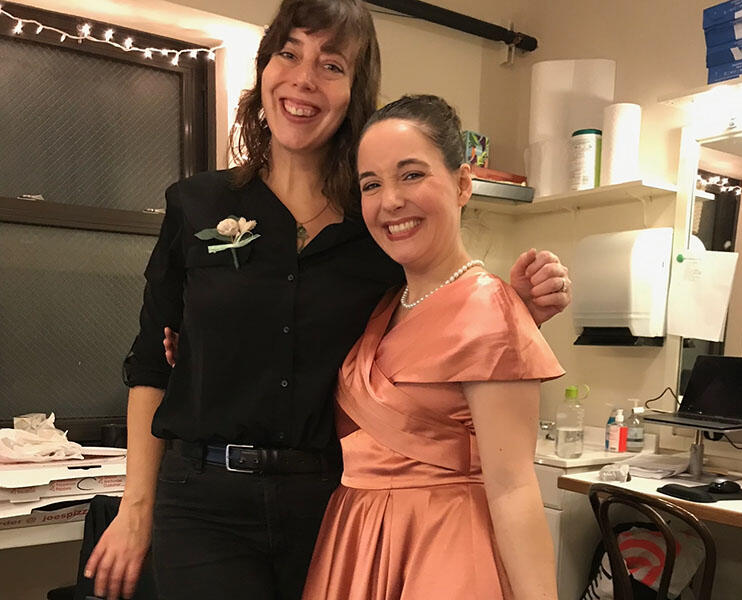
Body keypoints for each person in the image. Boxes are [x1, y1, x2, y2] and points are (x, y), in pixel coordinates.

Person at [84, 2, 570, 599]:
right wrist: (135, 508)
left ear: (353, 92)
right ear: (264, 68)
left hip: (332, 504)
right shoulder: (197, 204)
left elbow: (430, 327)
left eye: (331, 65)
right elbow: (151, 365)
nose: (304, 79)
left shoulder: (377, 229)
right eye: (289, 54)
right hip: (205, 503)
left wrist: (513, 310)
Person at [301, 94, 564, 600]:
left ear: (463, 184)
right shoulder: (384, 308)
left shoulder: (490, 307)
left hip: (444, 548)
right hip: (358, 542)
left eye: (411, 175)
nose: (390, 201)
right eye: (371, 184)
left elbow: (513, 488)